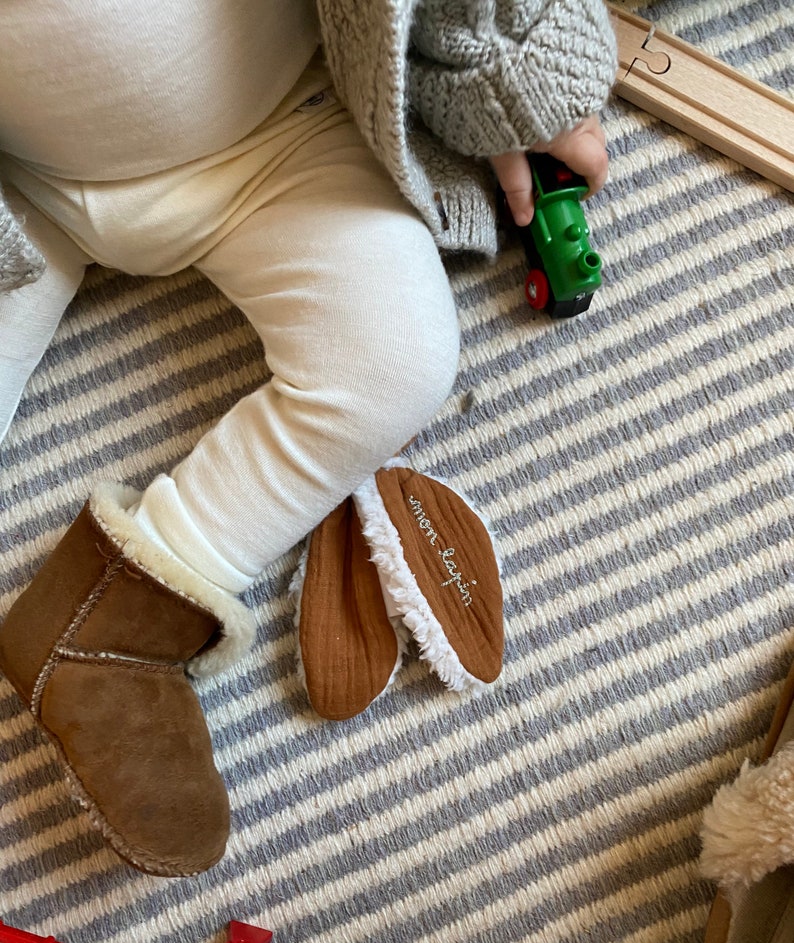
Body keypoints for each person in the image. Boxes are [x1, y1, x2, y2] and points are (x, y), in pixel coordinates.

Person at [0, 0, 617, 877]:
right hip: (23, 180)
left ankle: (124, 617)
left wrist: (510, 65)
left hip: (281, 123)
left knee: (398, 356)